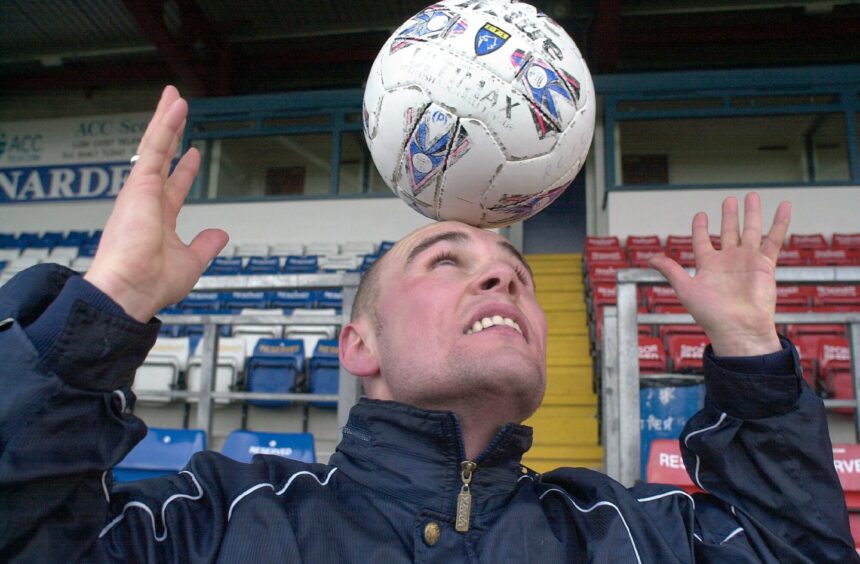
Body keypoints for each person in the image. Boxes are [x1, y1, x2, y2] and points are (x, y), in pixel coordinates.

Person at [0, 85, 855, 563]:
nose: (499, 272)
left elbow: (796, 553)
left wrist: (750, 353)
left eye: (517, 275)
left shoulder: (622, 534)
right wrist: (105, 303)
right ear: (356, 345)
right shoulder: (218, 520)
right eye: (445, 259)